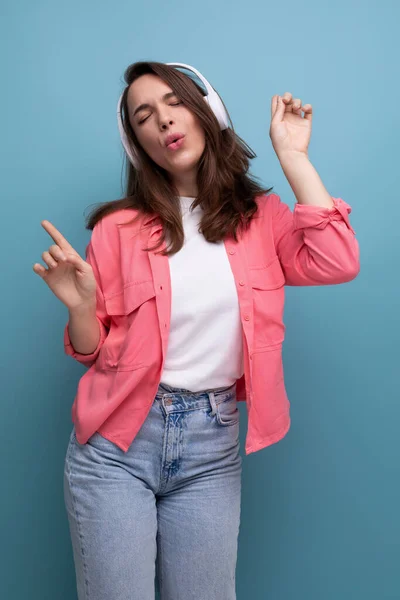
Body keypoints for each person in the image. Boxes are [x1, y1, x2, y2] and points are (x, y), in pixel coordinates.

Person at [32, 61, 360, 600]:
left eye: (174, 102)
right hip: (117, 445)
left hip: (211, 449)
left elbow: (337, 260)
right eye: (144, 116)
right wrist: (81, 308)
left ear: (208, 111)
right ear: (138, 142)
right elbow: (92, 351)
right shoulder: (115, 230)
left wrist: (294, 157)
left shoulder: (263, 218)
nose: (163, 120)